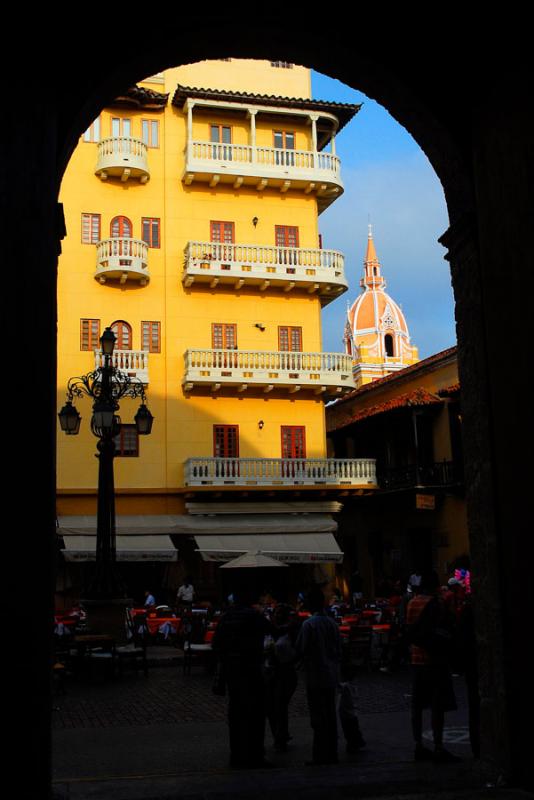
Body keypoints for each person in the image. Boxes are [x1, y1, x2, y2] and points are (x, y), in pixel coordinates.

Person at [211, 588, 273, 769]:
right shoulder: (255, 616)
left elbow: (216, 644)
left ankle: (237, 755)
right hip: (252, 669)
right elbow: (271, 630)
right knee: (256, 714)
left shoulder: (226, 618)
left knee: (236, 714)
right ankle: (256, 755)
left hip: (233, 672)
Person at [406, 571, 460, 763]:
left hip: (416, 659)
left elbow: (409, 629)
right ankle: (438, 746)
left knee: (417, 705)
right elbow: (448, 627)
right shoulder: (438, 604)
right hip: (435, 660)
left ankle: (418, 745)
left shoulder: (412, 603)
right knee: (437, 705)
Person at [296, 585, 342, 765]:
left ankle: (320, 754)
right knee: (330, 715)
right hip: (331, 675)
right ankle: (332, 752)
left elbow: (301, 649)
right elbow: (339, 650)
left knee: (318, 717)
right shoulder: (332, 623)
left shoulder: (309, 624)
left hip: (315, 676)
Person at [265, 604, 300, 752]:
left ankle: (281, 737)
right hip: (270, 672)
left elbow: (299, 650)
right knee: (271, 706)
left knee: (279, 704)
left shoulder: (291, 632)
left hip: (285, 672)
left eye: (281, 613)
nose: (277, 616)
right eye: (276, 613)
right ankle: (279, 735)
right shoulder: (270, 631)